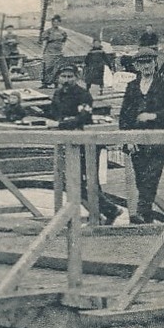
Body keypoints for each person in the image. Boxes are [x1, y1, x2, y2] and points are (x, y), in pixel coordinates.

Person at [47, 62, 118, 224]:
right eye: (63, 77)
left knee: (88, 180)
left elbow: (83, 117)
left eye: (69, 77)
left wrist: (61, 124)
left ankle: (107, 211)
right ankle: (104, 211)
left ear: (76, 78)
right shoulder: (58, 94)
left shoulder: (83, 95)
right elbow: (53, 114)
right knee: (75, 180)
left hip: (87, 142)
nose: (66, 80)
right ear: (58, 78)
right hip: (69, 142)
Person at [118, 48, 164, 223]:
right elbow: (124, 115)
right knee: (141, 179)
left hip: (158, 138)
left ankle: (141, 212)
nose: (146, 66)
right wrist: (128, 138)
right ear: (137, 66)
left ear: (155, 63)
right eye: (142, 63)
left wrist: (155, 116)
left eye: (149, 62)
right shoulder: (132, 86)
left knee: (152, 176)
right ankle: (146, 218)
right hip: (137, 140)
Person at [40, 16, 68, 85]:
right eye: (54, 22)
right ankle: (46, 83)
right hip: (49, 52)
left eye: (57, 22)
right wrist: (42, 52)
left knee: (57, 67)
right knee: (48, 67)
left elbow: (64, 42)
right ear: (52, 23)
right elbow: (45, 42)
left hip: (58, 52)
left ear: (59, 22)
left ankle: (56, 82)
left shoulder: (62, 32)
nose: (55, 23)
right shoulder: (48, 31)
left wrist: (63, 50)